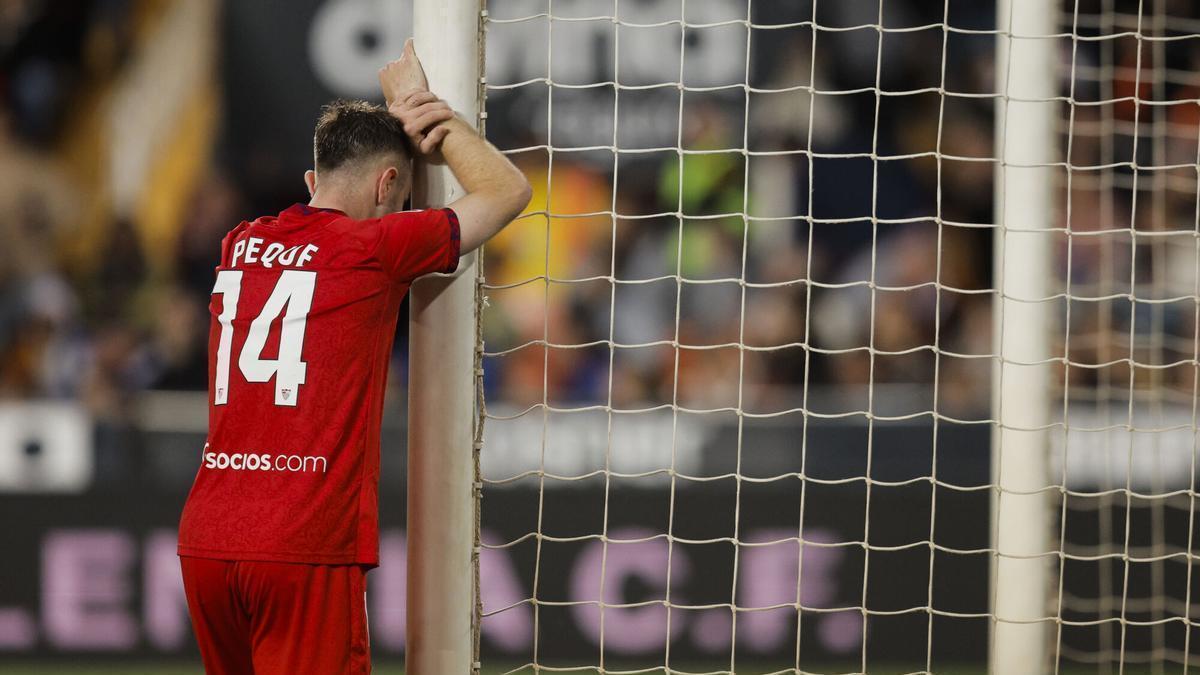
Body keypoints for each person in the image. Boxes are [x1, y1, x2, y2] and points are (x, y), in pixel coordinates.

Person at [175, 40, 531, 675]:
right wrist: (427, 113)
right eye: (400, 199)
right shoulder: (372, 248)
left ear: (312, 181)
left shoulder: (240, 242)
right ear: (388, 183)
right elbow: (506, 191)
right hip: (300, 542)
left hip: (207, 538)